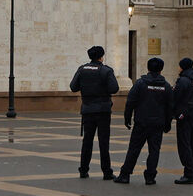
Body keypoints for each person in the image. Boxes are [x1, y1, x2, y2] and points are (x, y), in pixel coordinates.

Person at [114, 57, 174, 185]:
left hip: (142, 122)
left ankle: (125, 175)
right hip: (158, 124)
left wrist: (127, 118)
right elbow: (170, 107)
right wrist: (168, 123)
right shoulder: (166, 86)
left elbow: (130, 102)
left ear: (148, 68)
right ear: (161, 70)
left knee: (134, 149)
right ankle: (150, 177)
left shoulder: (140, 83)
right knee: (154, 150)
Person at [70, 45, 119, 179]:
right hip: (103, 110)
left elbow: (73, 87)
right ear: (101, 56)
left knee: (87, 141)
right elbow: (114, 88)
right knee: (104, 142)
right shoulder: (106, 71)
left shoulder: (82, 69)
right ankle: (106, 172)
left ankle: (83, 169)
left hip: (87, 110)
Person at [172, 57, 193, 185]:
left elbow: (176, 97)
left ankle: (188, 173)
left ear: (183, 67)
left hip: (185, 115)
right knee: (192, 143)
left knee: (184, 144)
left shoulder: (183, 80)